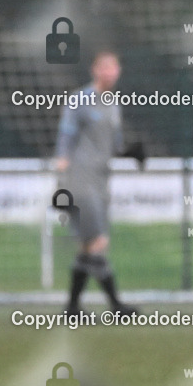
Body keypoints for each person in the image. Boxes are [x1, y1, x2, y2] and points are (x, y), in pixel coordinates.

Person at [55, 50, 143, 316]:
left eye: (113, 68)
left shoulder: (113, 105)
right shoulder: (80, 100)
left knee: (86, 245)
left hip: (102, 181)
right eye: (104, 67)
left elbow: (113, 146)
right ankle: (116, 305)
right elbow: (65, 138)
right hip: (81, 180)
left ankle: (72, 307)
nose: (109, 73)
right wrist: (62, 180)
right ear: (95, 70)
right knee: (98, 241)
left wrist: (129, 152)